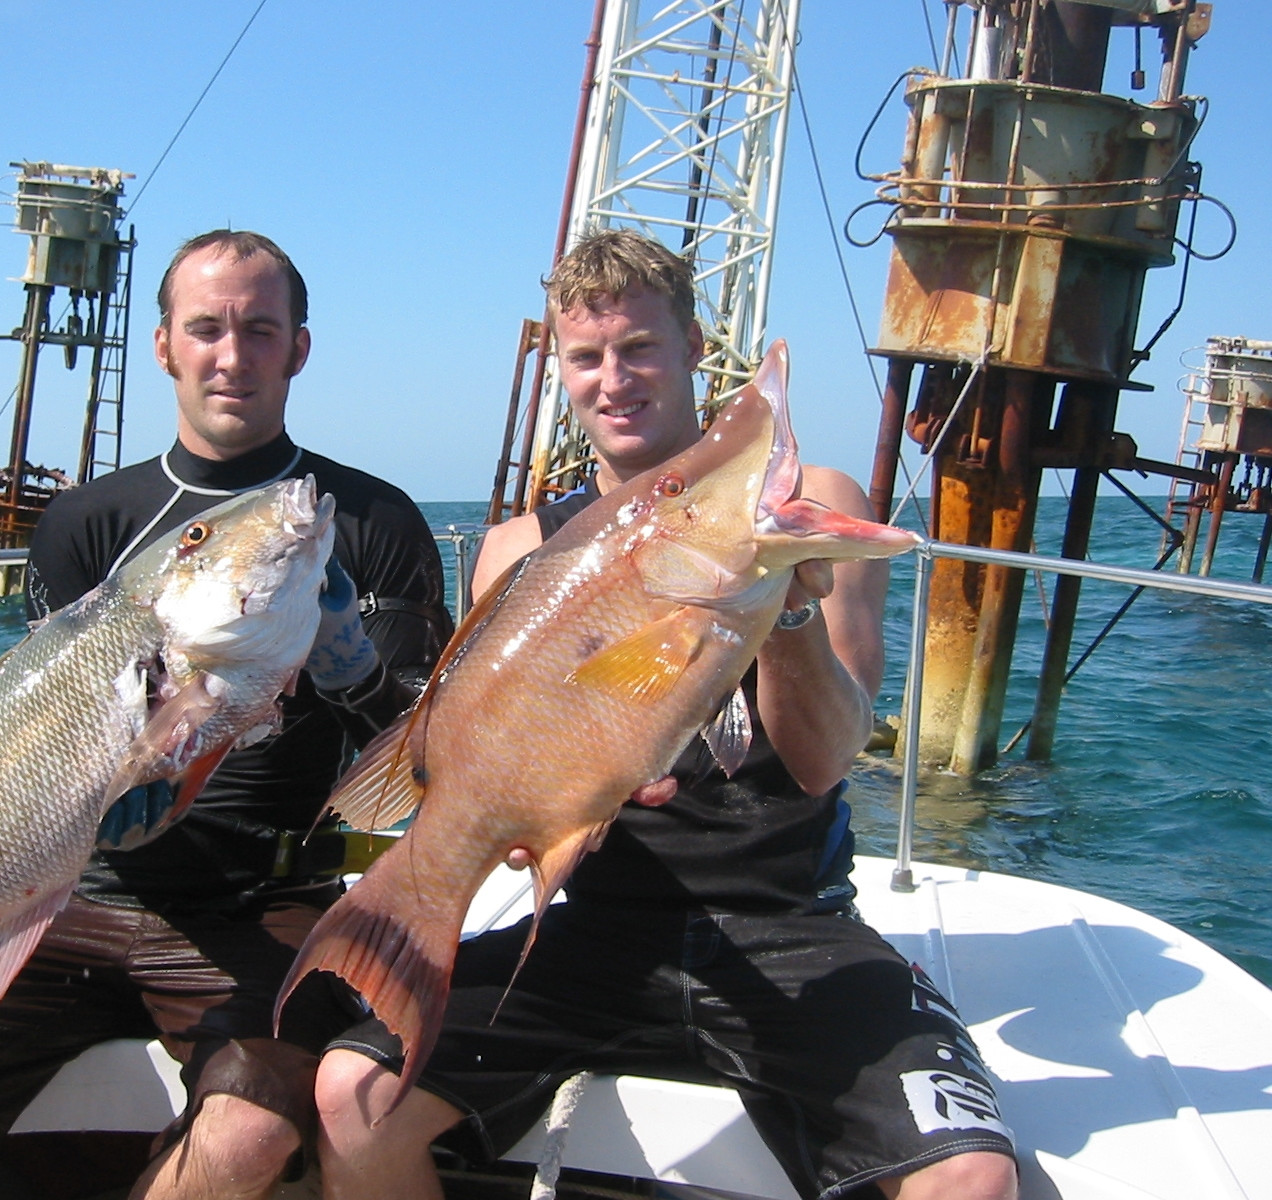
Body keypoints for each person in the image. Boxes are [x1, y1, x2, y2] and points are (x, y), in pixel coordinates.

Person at [313, 229, 1019, 1200]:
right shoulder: (520, 548)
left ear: (693, 344)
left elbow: (822, 763)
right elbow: (485, 751)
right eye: (586, 356)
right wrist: (557, 797)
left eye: (639, 348)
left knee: (972, 1179)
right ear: (559, 367)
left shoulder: (812, 507)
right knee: (351, 1096)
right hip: (593, 929)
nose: (614, 379)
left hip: (789, 924)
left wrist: (786, 612)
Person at [0, 229, 451, 1200]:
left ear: (298, 350)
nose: (231, 355)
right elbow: (21, 734)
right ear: (163, 346)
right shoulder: (83, 524)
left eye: (260, 330)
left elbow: (418, 756)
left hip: (261, 906)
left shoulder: (369, 519)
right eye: (206, 329)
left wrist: (349, 664)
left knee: (242, 1135)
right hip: (70, 889)